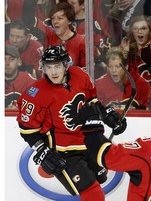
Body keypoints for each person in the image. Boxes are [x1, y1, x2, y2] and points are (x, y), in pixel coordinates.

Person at [16, 45, 127, 201]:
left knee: (101, 179)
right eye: (49, 67)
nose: (53, 72)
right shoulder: (35, 94)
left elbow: (91, 101)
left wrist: (108, 115)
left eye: (57, 66)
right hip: (62, 153)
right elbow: (26, 129)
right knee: (92, 192)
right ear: (43, 68)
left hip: (87, 142)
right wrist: (42, 151)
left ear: (66, 65)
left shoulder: (80, 75)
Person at [5, 45, 36, 110]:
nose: (6, 63)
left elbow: (38, 104)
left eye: (11, 59)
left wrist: (20, 109)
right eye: (3, 59)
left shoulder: (29, 81)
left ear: (19, 62)